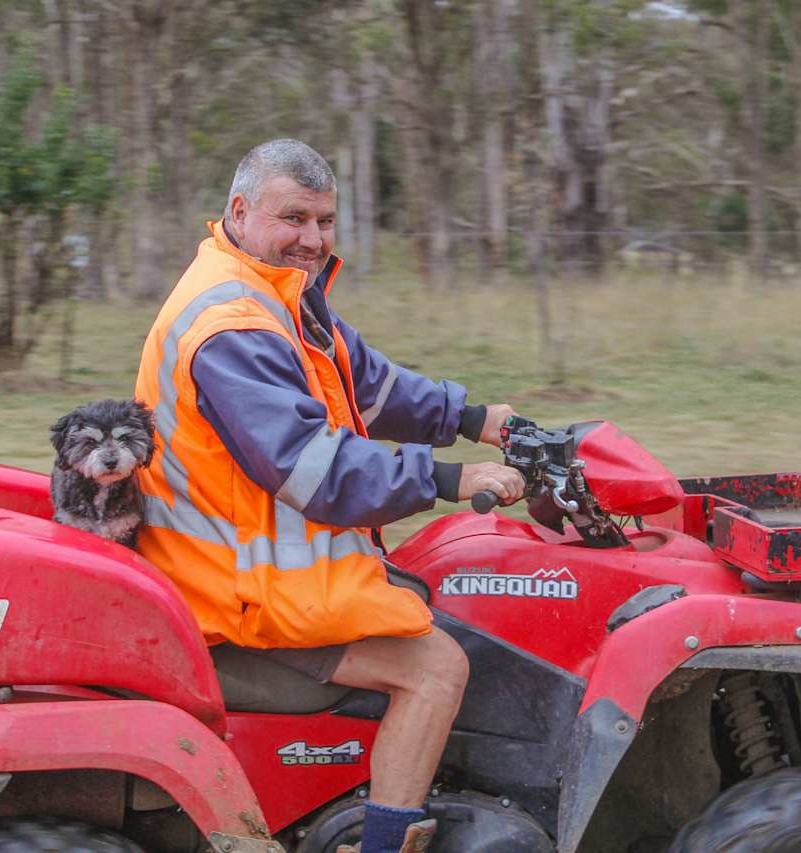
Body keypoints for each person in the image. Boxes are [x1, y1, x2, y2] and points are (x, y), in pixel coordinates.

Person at [134, 139, 526, 853]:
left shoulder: (275, 293)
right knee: (439, 667)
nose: (312, 239)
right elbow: (315, 471)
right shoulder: (232, 325)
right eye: (294, 218)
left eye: (324, 220)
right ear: (241, 210)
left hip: (263, 582)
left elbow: (368, 386)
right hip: (230, 605)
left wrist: (478, 420)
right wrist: (450, 478)